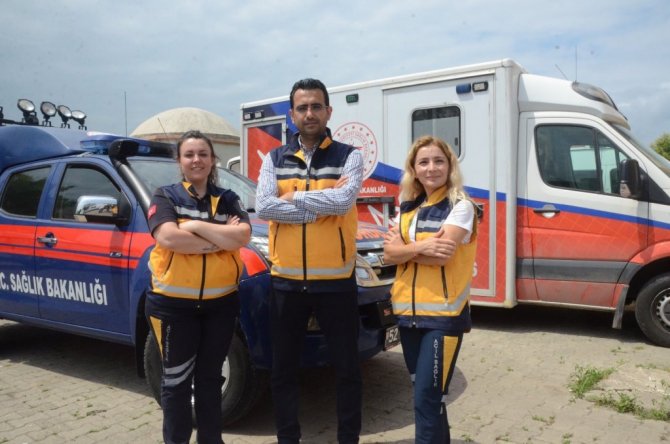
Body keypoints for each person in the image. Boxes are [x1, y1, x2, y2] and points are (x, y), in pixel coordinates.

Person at [256, 78, 364, 444]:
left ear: (328, 111)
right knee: (283, 370)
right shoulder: (274, 159)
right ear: (292, 115)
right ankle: (288, 438)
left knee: (347, 369)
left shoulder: (349, 156)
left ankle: (348, 438)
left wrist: (292, 200)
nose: (310, 113)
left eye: (316, 106)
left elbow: (344, 202)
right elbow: (264, 206)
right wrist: (318, 206)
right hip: (286, 282)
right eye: (302, 107)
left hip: (337, 282)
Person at [145, 130, 251, 444]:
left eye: (203, 154)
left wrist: (192, 226)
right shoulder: (165, 196)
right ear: (179, 161)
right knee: (176, 382)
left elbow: (243, 236)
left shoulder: (228, 198)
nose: (197, 160)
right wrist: (220, 238)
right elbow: (168, 238)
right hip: (173, 306)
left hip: (221, 304)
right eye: (189, 154)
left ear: (213, 159)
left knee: (210, 380)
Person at [383, 135, 478, 444]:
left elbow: (442, 256)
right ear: (414, 169)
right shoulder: (407, 209)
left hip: (442, 319)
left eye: (439, 161)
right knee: (430, 398)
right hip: (408, 316)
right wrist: (422, 246)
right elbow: (388, 255)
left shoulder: (461, 207)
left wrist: (405, 249)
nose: (431, 168)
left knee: (426, 398)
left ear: (450, 166)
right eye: (423, 162)